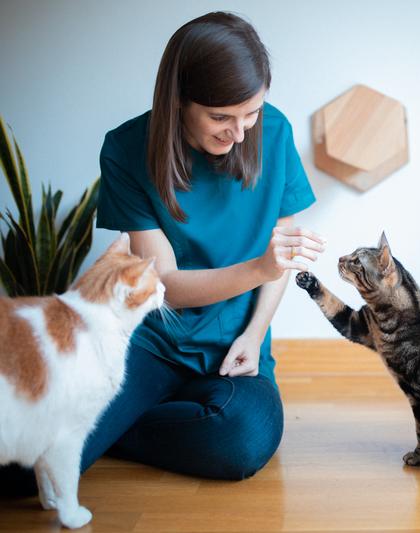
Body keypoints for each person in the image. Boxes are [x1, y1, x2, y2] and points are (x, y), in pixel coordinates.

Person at [0, 11, 324, 495]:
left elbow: (279, 257)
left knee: (241, 438)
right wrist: (259, 267)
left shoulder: (273, 133)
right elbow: (167, 286)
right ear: (178, 100)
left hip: (234, 346)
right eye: (221, 117)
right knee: (20, 471)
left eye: (250, 113)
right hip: (145, 342)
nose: (240, 133)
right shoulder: (126, 150)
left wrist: (254, 335)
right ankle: (95, 427)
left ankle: (104, 430)